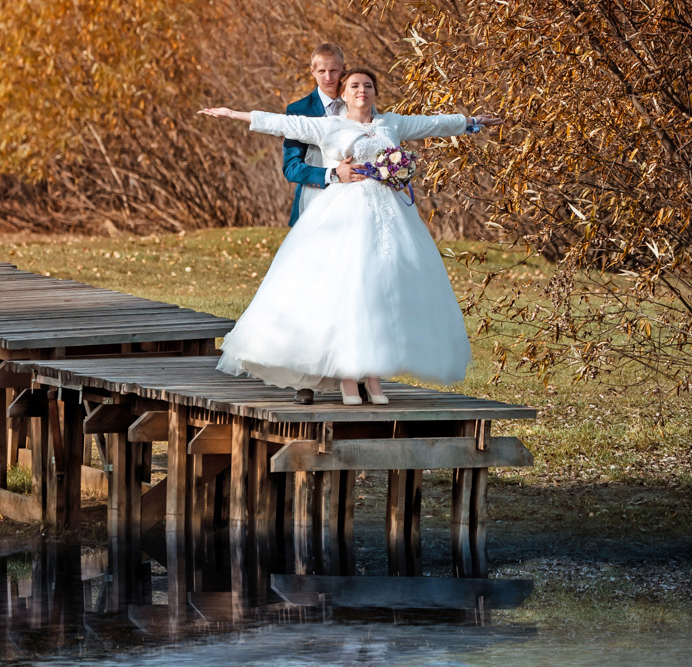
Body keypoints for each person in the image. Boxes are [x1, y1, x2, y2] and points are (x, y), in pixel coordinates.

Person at [199, 68, 501, 405]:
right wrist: (233, 114)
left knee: (379, 291)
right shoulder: (329, 125)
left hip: (390, 216)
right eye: (355, 86)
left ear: (375, 92)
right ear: (343, 93)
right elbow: (284, 124)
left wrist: (471, 122)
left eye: (368, 86)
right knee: (349, 290)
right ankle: (346, 376)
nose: (362, 91)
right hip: (344, 215)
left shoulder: (391, 123)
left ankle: (372, 378)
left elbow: (432, 123)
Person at [279, 43, 347, 226]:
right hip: (313, 203)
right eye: (322, 71)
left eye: (334, 70)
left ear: (344, 69)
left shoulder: (359, 103)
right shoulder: (298, 110)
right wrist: (331, 175)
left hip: (354, 202)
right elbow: (291, 168)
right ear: (312, 71)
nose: (328, 77)